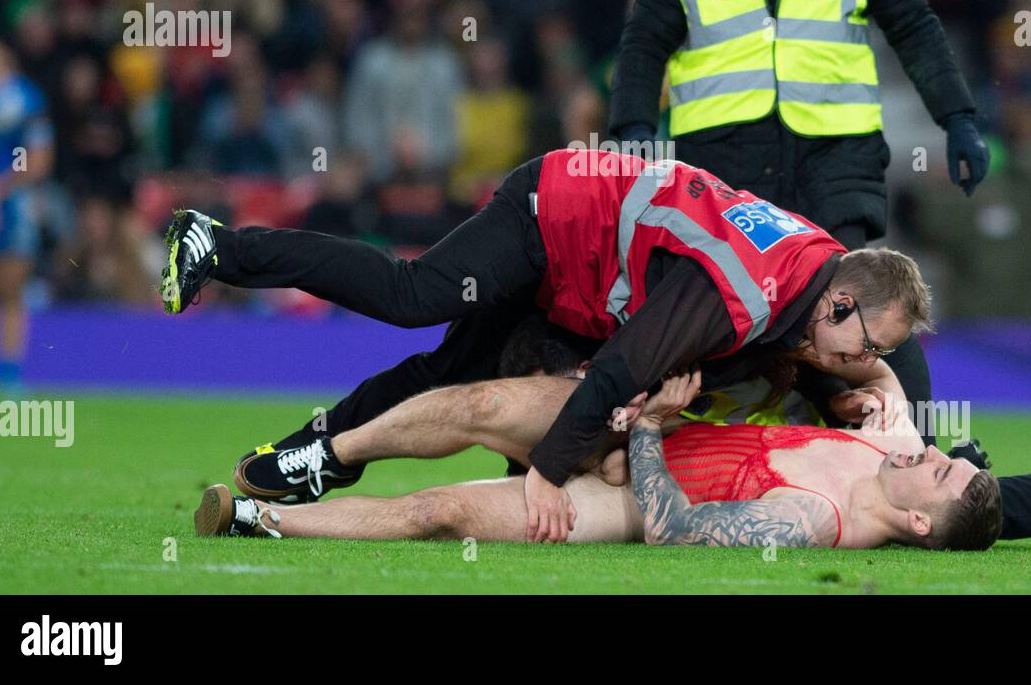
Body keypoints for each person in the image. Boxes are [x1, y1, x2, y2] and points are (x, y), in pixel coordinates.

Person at [162, 147, 931, 542]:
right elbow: (626, 365)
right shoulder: (745, 288)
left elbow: (811, 347)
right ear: (837, 302)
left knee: (448, 371)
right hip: (552, 217)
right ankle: (220, 244)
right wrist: (548, 475)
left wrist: (864, 394)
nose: (867, 359)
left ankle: (302, 459)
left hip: (590, 276)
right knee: (415, 296)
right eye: (867, 347)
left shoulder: (825, 269)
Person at [606, 0, 991, 453]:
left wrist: (957, 115)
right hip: (721, 165)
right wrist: (634, 128)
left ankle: (933, 454)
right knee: (713, 310)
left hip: (833, 156)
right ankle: (650, 448)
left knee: (857, 301)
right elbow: (645, 39)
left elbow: (914, 25)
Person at [195, 371, 1006, 551]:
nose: (933, 453)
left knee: (438, 511)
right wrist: (885, 385)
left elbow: (670, 529)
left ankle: (262, 519)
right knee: (482, 407)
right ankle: (328, 451)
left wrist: (649, 429)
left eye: (939, 471)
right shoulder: (893, 444)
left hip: (622, 495)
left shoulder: (811, 519)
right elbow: (884, 375)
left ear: (917, 519)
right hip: (637, 433)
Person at [0, 32, 54, 390]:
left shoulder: (24, 100)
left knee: (9, 290)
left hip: (11, 206)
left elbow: (36, 158)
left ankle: (9, 375)